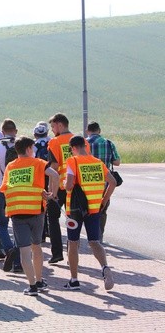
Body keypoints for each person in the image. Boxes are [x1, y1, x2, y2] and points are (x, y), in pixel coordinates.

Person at [0, 136, 59, 296]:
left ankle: (32, 285)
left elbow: (4, 188)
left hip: (17, 212)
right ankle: (39, 281)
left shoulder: (10, 166)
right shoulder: (38, 163)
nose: (33, 151)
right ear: (28, 149)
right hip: (36, 211)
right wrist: (52, 194)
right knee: (36, 247)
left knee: (24, 252)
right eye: (32, 149)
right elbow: (55, 175)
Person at [64, 135, 116, 291]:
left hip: (75, 209)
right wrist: (104, 200)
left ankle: (74, 280)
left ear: (73, 148)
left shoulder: (73, 161)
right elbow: (112, 182)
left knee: (73, 243)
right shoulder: (98, 163)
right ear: (85, 146)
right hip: (94, 208)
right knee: (94, 241)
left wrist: (64, 182)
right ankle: (105, 267)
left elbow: (69, 185)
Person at [46, 113, 89, 264]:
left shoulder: (55, 142)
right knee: (74, 220)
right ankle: (73, 256)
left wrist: (52, 192)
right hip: (78, 187)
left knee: (52, 217)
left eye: (52, 126)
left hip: (61, 186)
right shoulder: (82, 141)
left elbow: (54, 168)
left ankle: (57, 253)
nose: (52, 130)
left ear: (59, 125)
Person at [0, 119, 22, 272]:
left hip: (3, 189)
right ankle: (18, 262)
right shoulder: (23, 145)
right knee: (18, 225)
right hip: (21, 190)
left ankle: (9, 249)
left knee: (1, 225)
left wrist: (2, 174)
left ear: (2, 132)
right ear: (15, 131)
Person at [86, 121, 121, 242]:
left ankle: (89, 235)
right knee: (102, 209)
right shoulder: (108, 143)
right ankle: (98, 236)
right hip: (104, 183)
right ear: (99, 130)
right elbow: (117, 162)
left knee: (85, 209)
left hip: (86, 182)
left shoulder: (83, 144)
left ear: (87, 131)